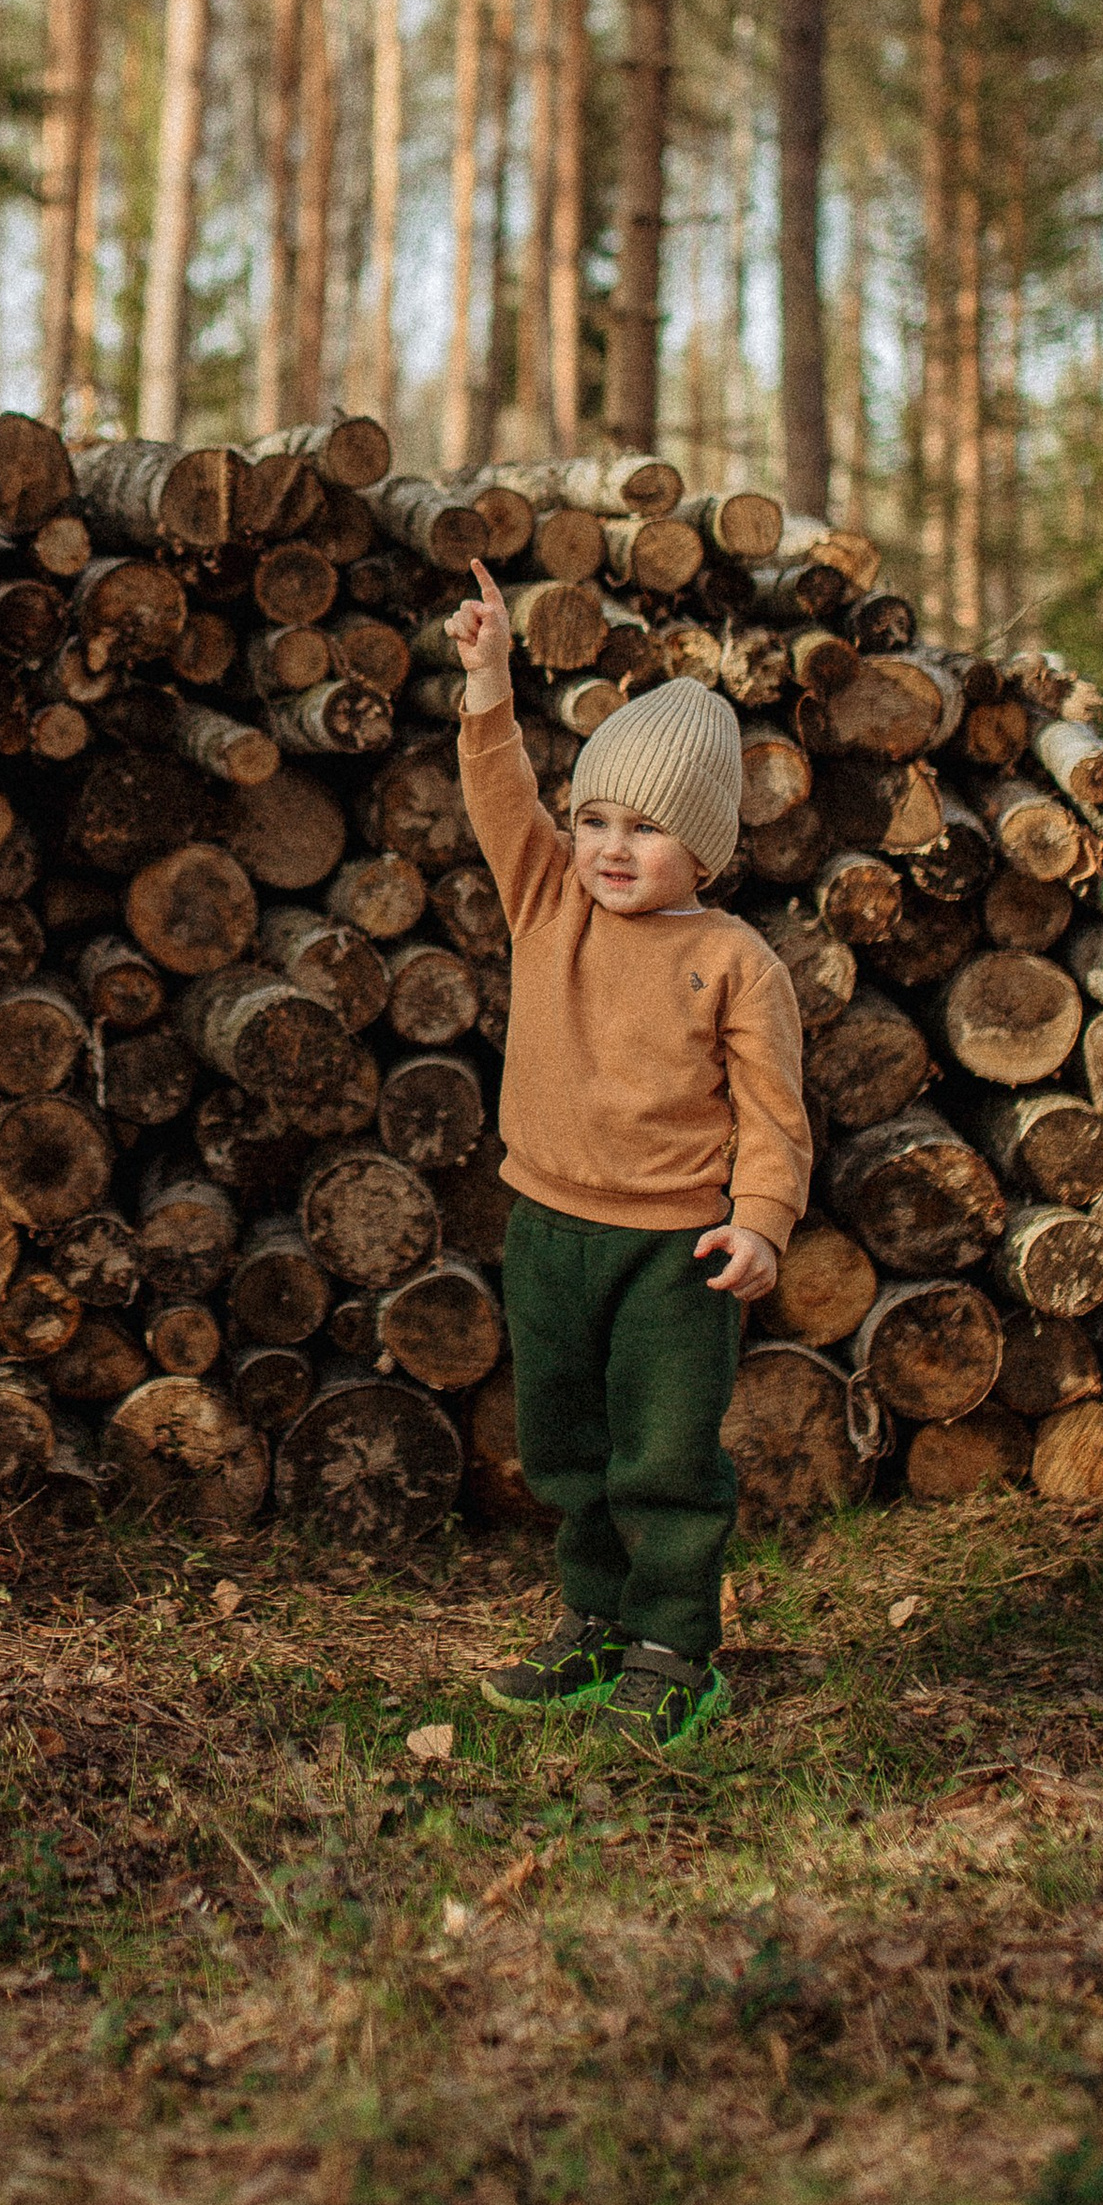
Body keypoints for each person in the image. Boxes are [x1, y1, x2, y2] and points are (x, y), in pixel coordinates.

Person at [444, 563, 810, 1749]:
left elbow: (772, 1111)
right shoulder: (550, 897)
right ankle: (594, 1622)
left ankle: (673, 1645)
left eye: (644, 828)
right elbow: (501, 796)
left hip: (673, 1249)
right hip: (546, 1226)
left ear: (701, 847)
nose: (607, 846)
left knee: (663, 1456)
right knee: (566, 1447)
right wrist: (490, 679)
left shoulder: (736, 960)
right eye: (595, 817)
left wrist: (758, 1221)